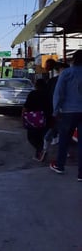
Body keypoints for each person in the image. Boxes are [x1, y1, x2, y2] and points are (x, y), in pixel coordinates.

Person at [50, 50, 82, 181]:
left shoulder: (66, 73)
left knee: (64, 139)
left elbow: (58, 94)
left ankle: (60, 165)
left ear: (73, 60)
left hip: (68, 112)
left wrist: (55, 111)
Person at [43, 62, 69, 152]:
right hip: (55, 109)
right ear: (58, 71)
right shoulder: (53, 81)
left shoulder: (70, 80)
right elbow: (48, 95)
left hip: (67, 109)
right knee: (55, 127)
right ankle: (49, 141)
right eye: (63, 70)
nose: (65, 72)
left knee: (61, 128)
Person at [22, 78, 50, 161]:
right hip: (44, 118)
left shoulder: (33, 93)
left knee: (31, 137)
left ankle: (40, 151)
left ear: (36, 85)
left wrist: (23, 116)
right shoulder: (47, 94)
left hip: (33, 119)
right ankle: (39, 153)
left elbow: (26, 107)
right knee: (41, 137)